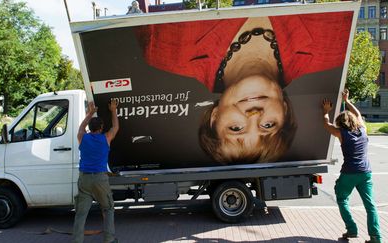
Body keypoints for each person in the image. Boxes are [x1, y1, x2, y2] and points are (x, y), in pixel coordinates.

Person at [135, 12, 353, 164]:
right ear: (285, 110)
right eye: (268, 125)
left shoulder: (162, 48)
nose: (254, 115)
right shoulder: (333, 47)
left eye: (236, 129)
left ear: (214, 116)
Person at [321, 89, 382, 243]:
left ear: (341, 123)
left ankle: (352, 229)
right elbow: (358, 114)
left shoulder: (341, 133)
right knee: (370, 206)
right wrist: (347, 101)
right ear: (354, 120)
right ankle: (376, 238)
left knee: (342, 199)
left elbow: (326, 124)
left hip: (349, 173)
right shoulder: (363, 129)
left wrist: (326, 111)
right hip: (365, 173)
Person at [72, 100, 119, 243]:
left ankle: (77, 241)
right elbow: (115, 127)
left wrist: (90, 113)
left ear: (90, 128)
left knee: (81, 214)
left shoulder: (82, 137)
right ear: (101, 128)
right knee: (108, 209)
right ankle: (109, 240)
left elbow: (81, 127)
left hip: (84, 179)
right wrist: (113, 110)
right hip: (100, 179)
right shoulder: (106, 138)